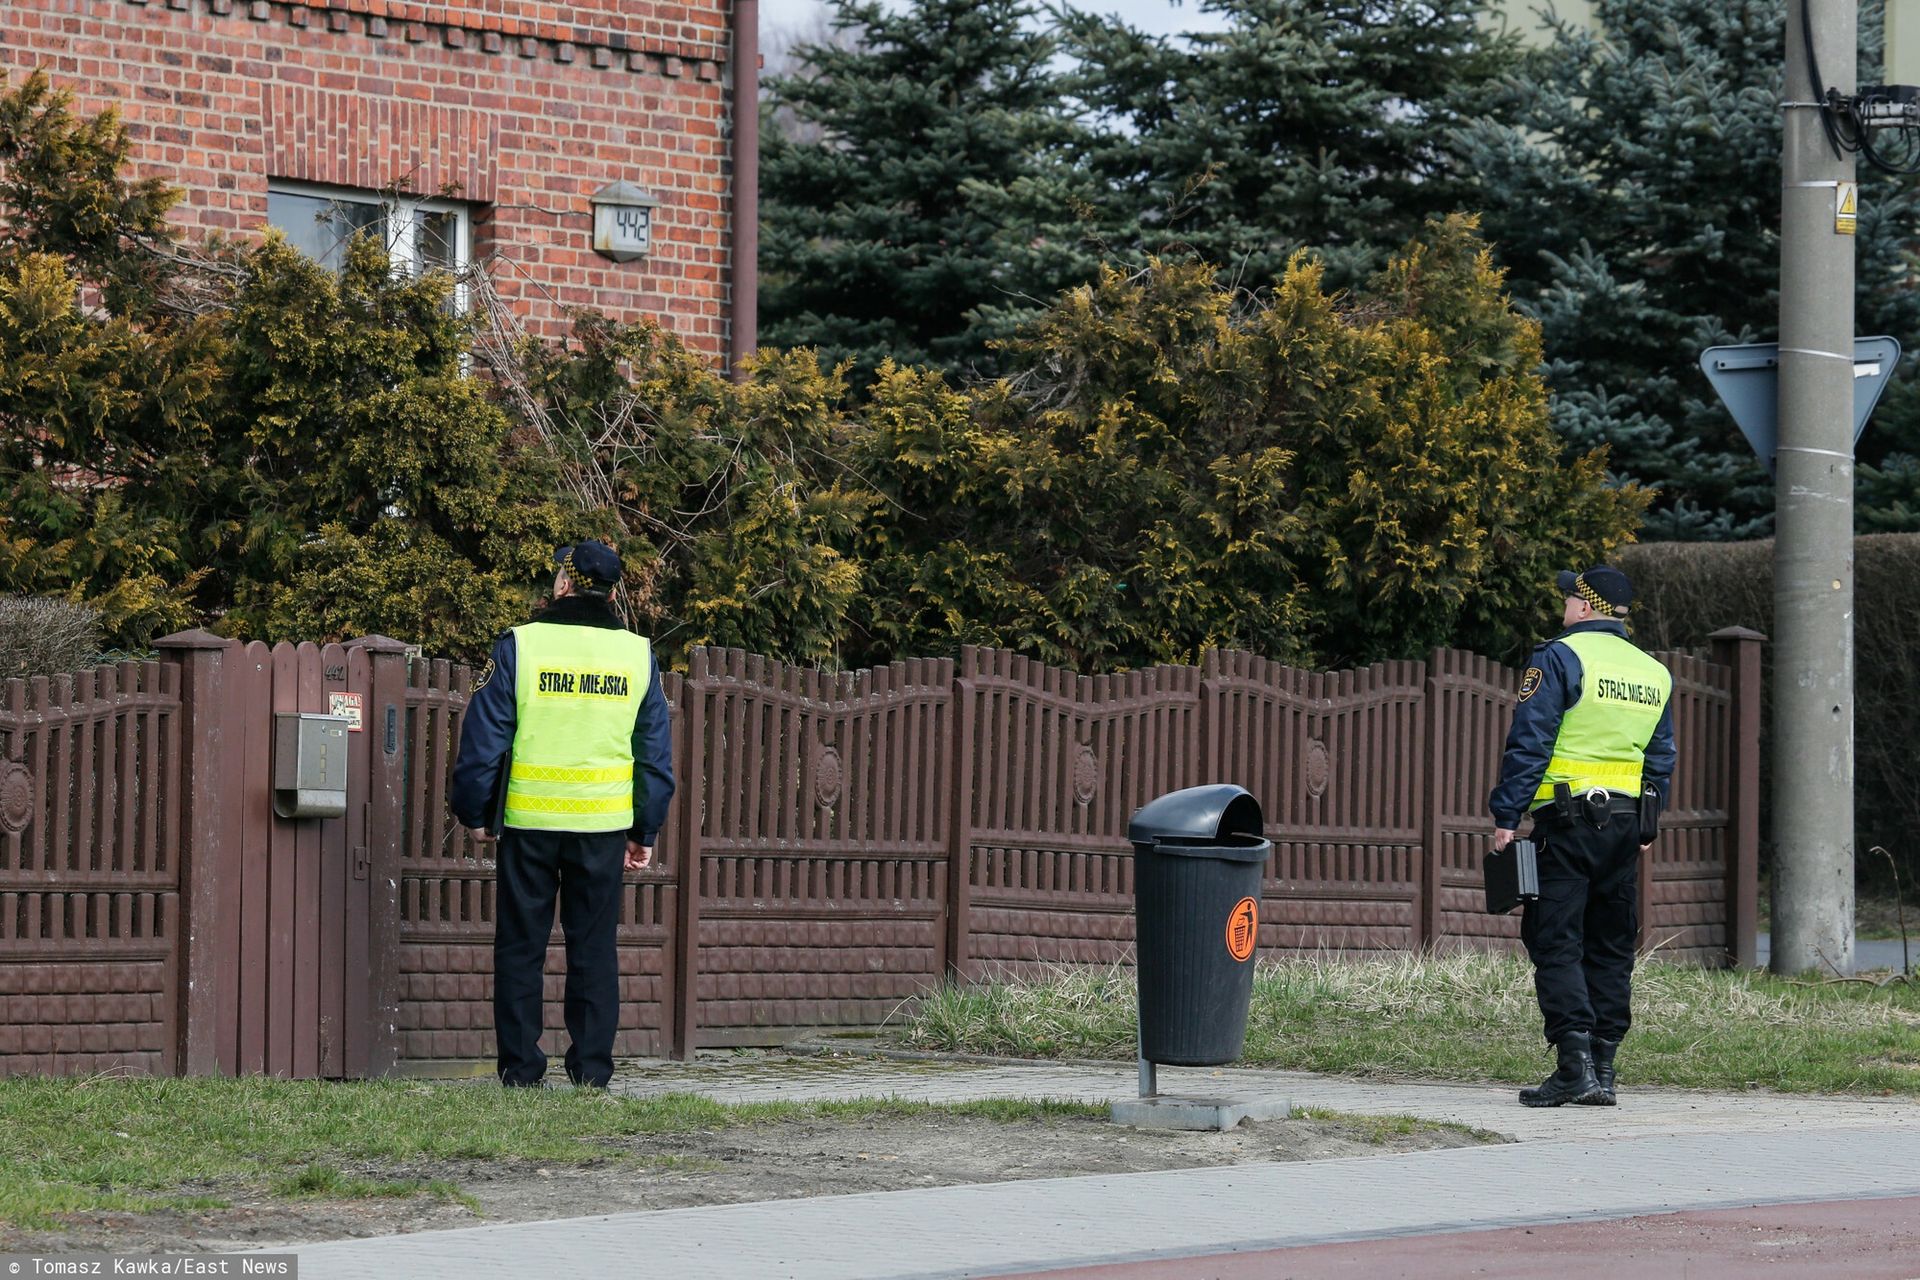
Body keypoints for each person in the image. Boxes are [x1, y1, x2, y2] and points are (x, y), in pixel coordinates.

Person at [451, 539, 674, 1089]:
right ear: (614, 591)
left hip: (529, 825)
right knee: (594, 949)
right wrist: (644, 828)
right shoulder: (636, 655)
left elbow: (483, 741)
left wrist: (475, 811)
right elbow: (654, 754)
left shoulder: (520, 647)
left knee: (521, 948)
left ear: (564, 584)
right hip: (602, 829)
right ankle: (592, 1071)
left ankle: (521, 1071)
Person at [1489, 565, 1675, 1108]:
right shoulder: (1652, 672)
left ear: (1586, 607)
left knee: (1555, 938)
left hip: (1566, 823)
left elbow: (1531, 740)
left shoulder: (1559, 657)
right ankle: (1605, 1069)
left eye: (1570, 598)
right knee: (1611, 942)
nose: (1565, 607)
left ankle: (1575, 1068)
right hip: (1623, 828)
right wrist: (1647, 824)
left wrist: (1507, 815)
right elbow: (1659, 757)